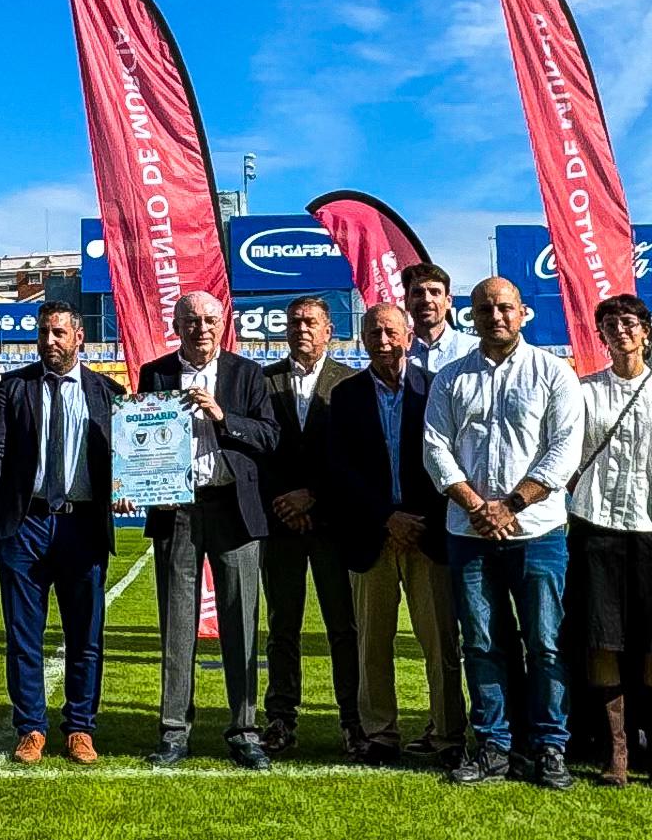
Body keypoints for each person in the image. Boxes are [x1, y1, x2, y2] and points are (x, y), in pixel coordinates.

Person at [423, 276, 583, 788]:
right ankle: (493, 745)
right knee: (482, 641)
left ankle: (550, 745)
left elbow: (563, 449)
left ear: (522, 313)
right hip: (468, 532)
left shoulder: (553, 373)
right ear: (470, 316)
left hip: (537, 531)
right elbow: (435, 448)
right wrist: (475, 505)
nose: (495, 316)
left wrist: (511, 504)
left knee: (546, 642)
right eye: (485, 308)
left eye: (505, 307)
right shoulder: (451, 378)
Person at [138, 288, 277, 768]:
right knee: (177, 625)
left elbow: (268, 436)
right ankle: (174, 730)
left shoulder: (247, 374)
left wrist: (222, 416)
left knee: (241, 624)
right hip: (178, 510)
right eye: (191, 320)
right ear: (177, 326)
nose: (201, 328)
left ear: (223, 324)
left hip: (233, 509)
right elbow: (140, 438)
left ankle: (244, 730)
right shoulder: (155, 373)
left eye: (210, 319)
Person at [0, 304, 120, 762]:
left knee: (85, 635)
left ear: (80, 336)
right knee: (23, 634)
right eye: (43, 333)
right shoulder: (12, 387)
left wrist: (130, 487)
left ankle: (80, 727)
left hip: (83, 525)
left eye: (59, 332)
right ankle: (31, 728)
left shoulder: (108, 392)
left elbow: (126, 457)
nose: (49, 341)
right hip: (26, 524)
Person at [565, 293, 652, 788]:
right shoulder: (583, 391)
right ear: (601, 336)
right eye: (611, 324)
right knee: (603, 637)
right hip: (597, 523)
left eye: (629, 323)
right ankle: (616, 750)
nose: (621, 331)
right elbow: (570, 455)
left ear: (646, 332)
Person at [320, 300, 442, 767]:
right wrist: (384, 517)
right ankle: (380, 734)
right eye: (374, 334)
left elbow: (443, 460)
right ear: (363, 339)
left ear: (408, 336)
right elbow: (340, 469)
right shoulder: (346, 395)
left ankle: (448, 731)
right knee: (372, 643)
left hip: (426, 535)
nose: (384, 342)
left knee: (438, 644)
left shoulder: (433, 390)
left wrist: (414, 518)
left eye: (391, 333)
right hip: (371, 536)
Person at [256, 294, 362, 762]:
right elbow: (261, 450)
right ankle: (280, 718)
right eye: (295, 321)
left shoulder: (350, 383)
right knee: (282, 625)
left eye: (311, 322)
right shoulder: (264, 381)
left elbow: (353, 457)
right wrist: (286, 502)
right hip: (280, 523)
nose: (302, 328)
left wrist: (313, 496)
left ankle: (353, 718)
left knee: (343, 625)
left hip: (333, 524)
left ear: (329, 331)